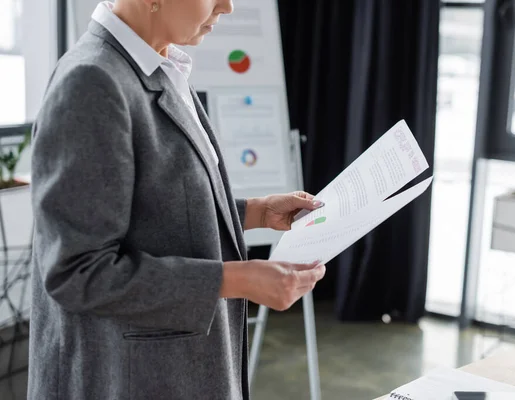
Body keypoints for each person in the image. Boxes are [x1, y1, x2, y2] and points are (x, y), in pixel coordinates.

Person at [27, 1, 326, 399]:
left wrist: (255, 212)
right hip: (124, 378)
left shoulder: (157, 67)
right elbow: (78, 272)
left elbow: (154, 208)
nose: (227, 5)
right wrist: (238, 278)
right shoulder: (90, 82)